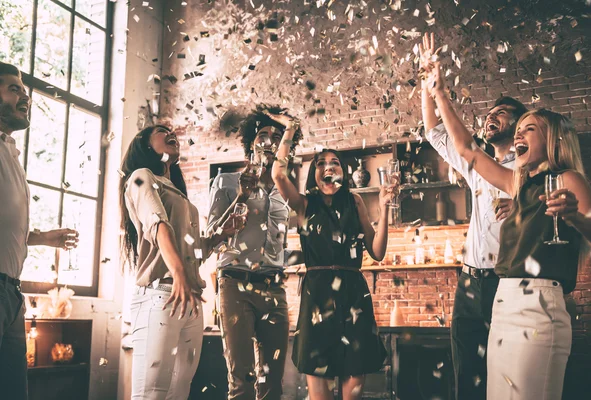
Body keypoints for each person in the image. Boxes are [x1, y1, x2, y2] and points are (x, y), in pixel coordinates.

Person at [421, 49, 591, 399]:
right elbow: (468, 150)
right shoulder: (518, 184)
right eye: (518, 130)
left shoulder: (568, 178)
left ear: (553, 140)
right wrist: (438, 91)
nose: (519, 135)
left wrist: (575, 215)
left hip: (539, 305)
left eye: (529, 129)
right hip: (504, 301)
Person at [418, 33, 527, 399]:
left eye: (502, 114)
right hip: (468, 283)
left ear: (521, 126)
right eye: (490, 113)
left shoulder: (529, 172)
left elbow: (463, 146)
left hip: (507, 282)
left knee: (505, 373)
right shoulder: (478, 165)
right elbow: (434, 131)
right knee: (467, 372)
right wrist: (425, 84)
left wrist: (440, 92)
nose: (491, 117)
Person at [271, 111, 397, 399]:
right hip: (317, 296)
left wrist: (385, 206)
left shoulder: (355, 202)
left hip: (354, 294)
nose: (328, 167)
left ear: (344, 172)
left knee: (353, 390)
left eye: (335, 163)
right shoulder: (303, 204)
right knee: (319, 389)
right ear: (314, 174)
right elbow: (278, 173)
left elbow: (377, 253)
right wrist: (290, 130)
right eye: (321, 164)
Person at [119, 124, 243, 400]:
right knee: (151, 393)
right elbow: (157, 224)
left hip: (190, 298)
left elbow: (194, 251)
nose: (170, 132)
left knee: (179, 392)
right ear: (144, 144)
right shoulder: (140, 177)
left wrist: (223, 234)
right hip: (159, 296)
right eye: (161, 130)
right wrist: (178, 274)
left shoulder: (175, 189)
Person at [207, 105, 302, 400]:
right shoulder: (225, 182)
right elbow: (211, 240)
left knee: (273, 382)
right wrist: (240, 198)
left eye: (277, 136)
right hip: (235, 285)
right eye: (263, 134)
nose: (270, 141)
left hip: (274, 287)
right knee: (242, 379)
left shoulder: (284, 191)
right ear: (251, 143)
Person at [0, 61, 79, 400]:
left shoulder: (10, 152)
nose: (25, 96)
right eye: (13, 88)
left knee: (14, 390)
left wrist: (43, 238)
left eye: (24, 89)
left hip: (11, 293)